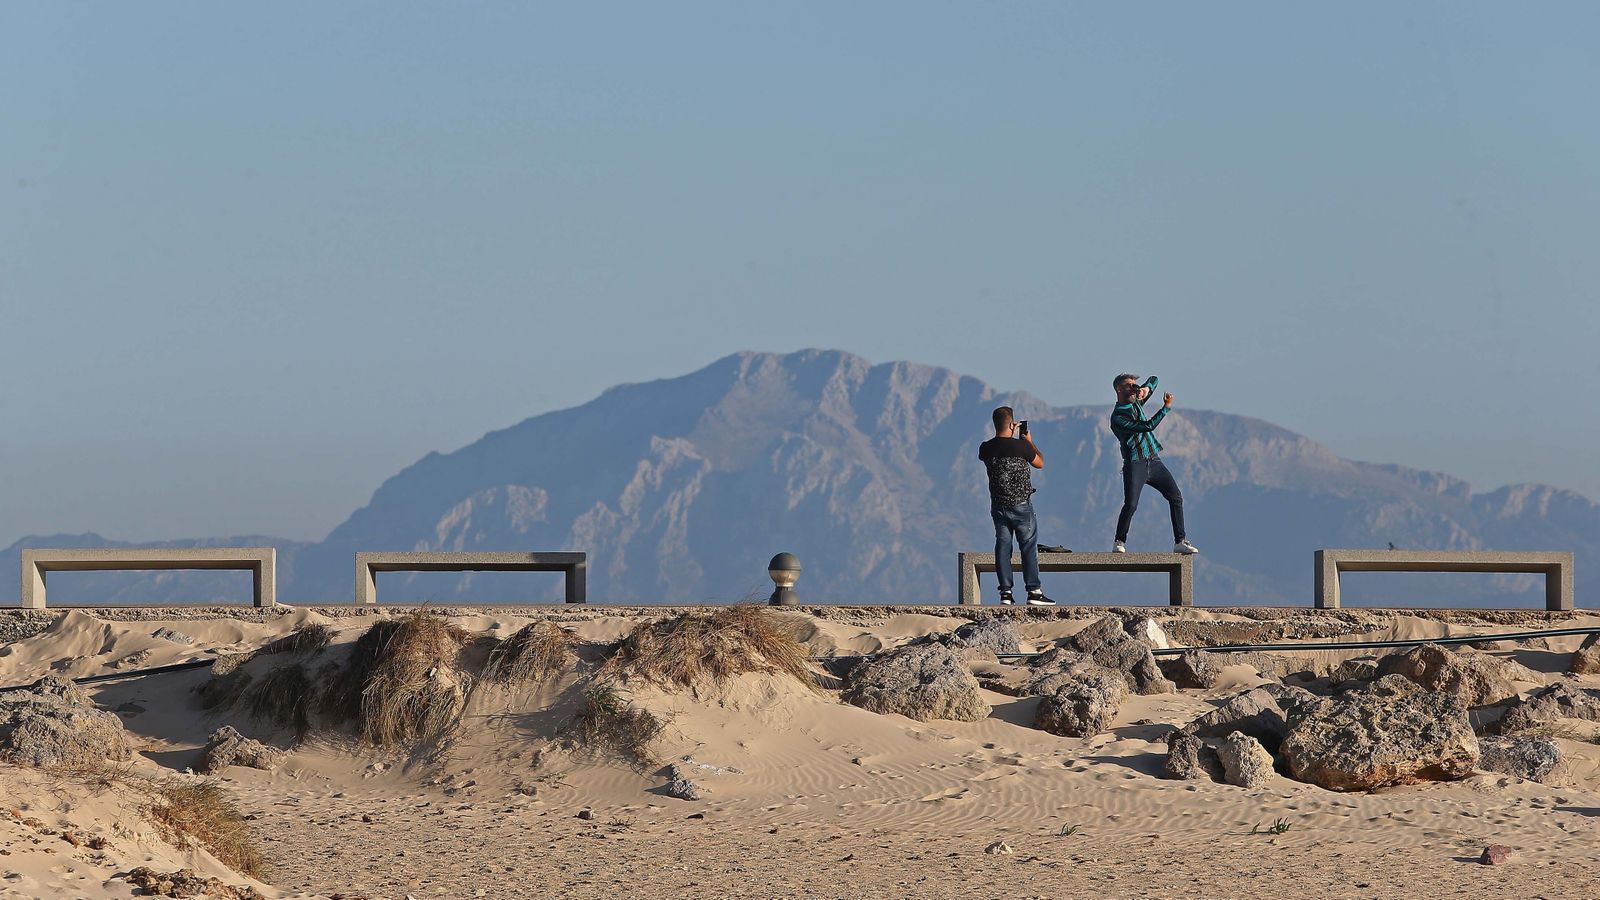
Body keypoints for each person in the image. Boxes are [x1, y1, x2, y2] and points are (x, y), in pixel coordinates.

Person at [1109, 374, 1199, 555]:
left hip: (1154, 460)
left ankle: (1180, 541)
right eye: (1129, 386)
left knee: (1175, 496)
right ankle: (1119, 540)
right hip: (1135, 464)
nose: (1134, 388)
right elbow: (1147, 426)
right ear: (1119, 390)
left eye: (1135, 385)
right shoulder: (1118, 417)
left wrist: (1145, 389)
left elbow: (1154, 379)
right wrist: (1166, 408)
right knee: (1131, 504)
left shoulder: (1136, 401)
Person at [979, 406, 1056, 605]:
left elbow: (990, 452)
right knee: (1028, 547)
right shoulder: (1022, 447)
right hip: (1022, 505)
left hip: (998, 506)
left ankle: (1005, 593)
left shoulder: (985, 448)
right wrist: (1029, 441)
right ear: (1013, 425)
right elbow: (1040, 463)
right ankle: (1034, 591)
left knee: (1003, 547)